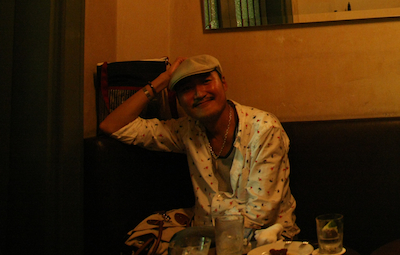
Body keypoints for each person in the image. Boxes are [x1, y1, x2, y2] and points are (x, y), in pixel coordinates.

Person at [100, 54, 299, 238]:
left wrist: (200, 241)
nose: (199, 94)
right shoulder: (187, 130)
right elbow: (112, 125)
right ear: (179, 100)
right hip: (208, 240)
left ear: (223, 83)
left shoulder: (264, 130)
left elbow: (259, 216)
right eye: (186, 89)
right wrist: (162, 81)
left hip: (267, 243)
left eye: (206, 81)